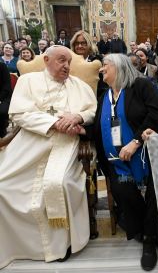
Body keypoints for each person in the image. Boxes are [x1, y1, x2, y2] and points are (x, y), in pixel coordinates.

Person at [0, 45, 97, 268]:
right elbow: (19, 114)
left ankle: (61, 245)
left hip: (65, 144)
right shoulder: (28, 81)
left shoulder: (79, 86)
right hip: (30, 142)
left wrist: (78, 117)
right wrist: (54, 123)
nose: (67, 66)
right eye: (62, 60)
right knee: (3, 185)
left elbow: (91, 111)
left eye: (69, 62)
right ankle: (18, 246)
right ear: (46, 59)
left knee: (58, 183)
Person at [93, 54, 158, 271]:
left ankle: (149, 240)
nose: (101, 69)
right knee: (122, 190)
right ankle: (149, 229)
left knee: (153, 191)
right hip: (116, 161)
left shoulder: (140, 86)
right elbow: (99, 126)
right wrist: (79, 126)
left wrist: (135, 142)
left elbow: (157, 114)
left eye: (105, 65)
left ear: (119, 66)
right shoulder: (104, 95)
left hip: (147, 153)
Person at [70, 30, 107, 97]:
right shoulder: (69, 61)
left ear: (89, 44)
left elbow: (103, 86)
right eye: (77, 43)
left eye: (83, 43)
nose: (79, 46)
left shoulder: (98, 61)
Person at [0, 61, 11, 137]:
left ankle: (2, 132)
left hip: (4, 96)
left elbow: (7, 85)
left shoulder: (2, 66)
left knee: (2, 111)